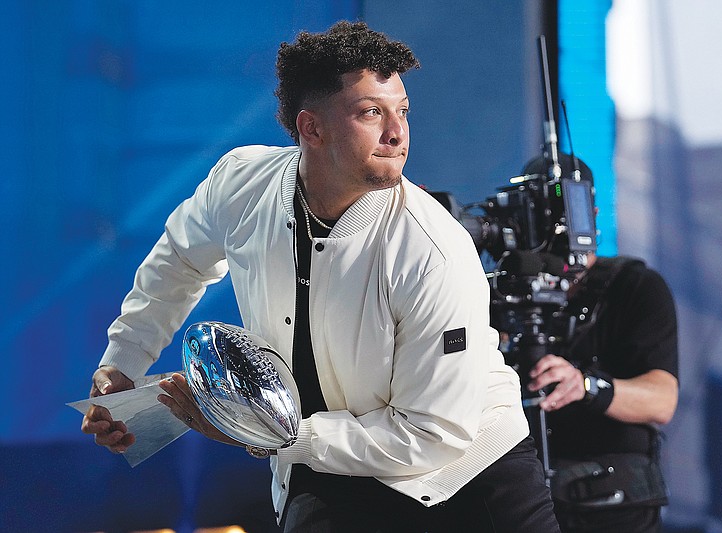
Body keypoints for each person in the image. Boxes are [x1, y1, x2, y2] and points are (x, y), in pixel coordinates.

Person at [81, 21, 561, 532]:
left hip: (466, 477)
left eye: (402, 111)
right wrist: (123, 363)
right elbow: (178, 259)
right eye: (371, 112)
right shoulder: (242, 183)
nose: (397, 133)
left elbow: (433, 433)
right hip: (322, 456)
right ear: (312, 128)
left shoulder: (432, 249)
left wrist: (265, 435)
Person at [521, 154, 679, 533]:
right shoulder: (508, 298)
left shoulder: (635, 287)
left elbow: (662, 400)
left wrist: (587, 385)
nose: (554, 230)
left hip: (612, 510)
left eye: (563, 214)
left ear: (589, 212)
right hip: (529, 505)